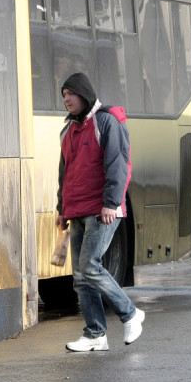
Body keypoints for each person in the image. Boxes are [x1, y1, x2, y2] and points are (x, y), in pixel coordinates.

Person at [57, 72, 144, 352]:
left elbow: (118, 163)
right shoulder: (68, 130)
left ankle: (130, 314)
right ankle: (95, 334)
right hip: (79, 209)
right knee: (80, 276)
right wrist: (62, 208)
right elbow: (65, 174)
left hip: (102, 209)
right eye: (64, 95)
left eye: (71, 93)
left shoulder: (106, 121)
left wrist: (111, 202)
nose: (67, 99)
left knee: (91, 266)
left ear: (84, 93)